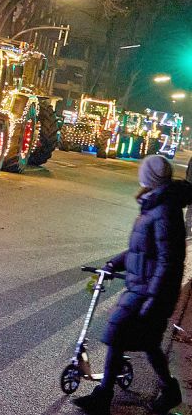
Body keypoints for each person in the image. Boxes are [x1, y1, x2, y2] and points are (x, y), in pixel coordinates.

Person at [73, 155, 191, 414]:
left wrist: (152, 299)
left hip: (149, 291)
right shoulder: (156, 205)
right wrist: (114, 263)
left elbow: (168, 262)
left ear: (150, 178)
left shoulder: (164, 212)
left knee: (117, 335)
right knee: (146, 343)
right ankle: (169, 391)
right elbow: (140, 250)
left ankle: (104, 395)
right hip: (144, 288)